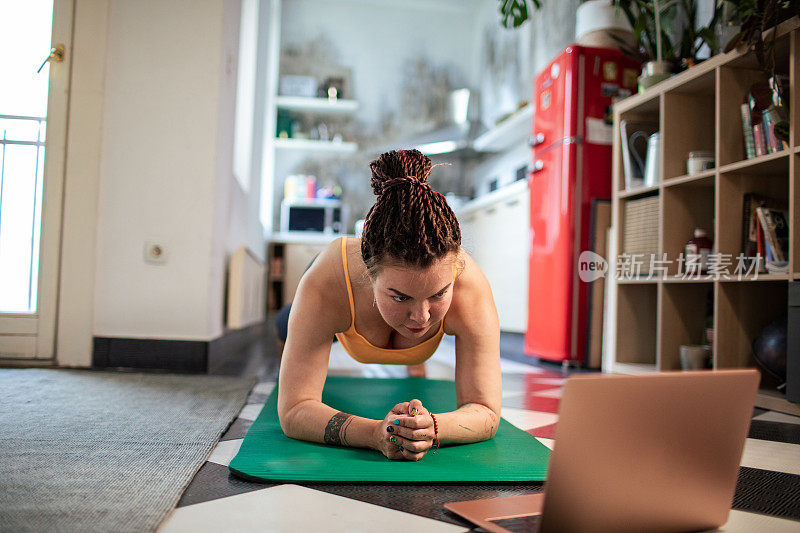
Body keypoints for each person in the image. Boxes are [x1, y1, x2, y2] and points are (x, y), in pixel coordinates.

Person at [276, 149, 501, 462]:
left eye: (438, 294)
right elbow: (294, 410)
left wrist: (432, 427)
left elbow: (487, 411)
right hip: (330, 297)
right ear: (369, 275)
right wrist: (372, 434)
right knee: (286, 323)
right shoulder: (328, 283)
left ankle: (412, 358)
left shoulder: (469, 286)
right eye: (400, 297)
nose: (422, 316)